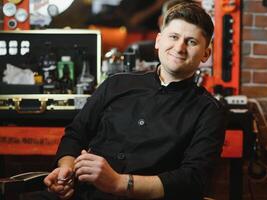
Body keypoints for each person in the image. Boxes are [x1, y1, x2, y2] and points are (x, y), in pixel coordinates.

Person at [35, 2, 227, 200]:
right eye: (174, 37)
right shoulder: (116, 84)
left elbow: (192, 180)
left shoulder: (209, 111)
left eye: (191, 42)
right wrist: (65, 173)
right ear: (159, 41)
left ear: (206, 54)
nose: (179, 48)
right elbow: (75, 135)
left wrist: (119, 183)